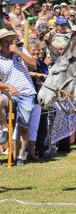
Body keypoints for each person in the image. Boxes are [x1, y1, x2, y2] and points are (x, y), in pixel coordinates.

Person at [0, 29, 38, 166]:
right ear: (0, 44)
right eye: (7, 41)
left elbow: (33, 64)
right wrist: (8, 86)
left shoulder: (21, 50)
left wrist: (18, 52)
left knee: (23, 127)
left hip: (27, 93)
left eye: (12, 40)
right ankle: (4, 129)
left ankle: (20, 156)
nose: (10, 43)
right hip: (9, 93)